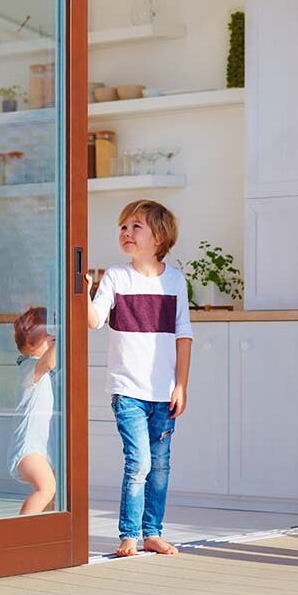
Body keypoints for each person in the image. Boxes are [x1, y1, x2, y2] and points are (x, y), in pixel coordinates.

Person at [85, 199, 193, 557]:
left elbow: (183, 335)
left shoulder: (175, 281)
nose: (126, 233)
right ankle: (128, 534)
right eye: (123, 227)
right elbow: (94, 319)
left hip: (163, 392)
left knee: (160, 465)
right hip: (127, 389)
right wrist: (83, 290)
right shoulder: (116, 277)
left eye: (136, 227)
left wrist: (181, 384)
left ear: (159, 237)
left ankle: (152, 532)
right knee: (140, 462)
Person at [9, 306, 57, 515]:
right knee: (46, 488)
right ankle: (22, 535)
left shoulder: (44, 370)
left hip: (42, 448)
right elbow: (50, 362)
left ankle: (45, 536)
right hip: (28, 449)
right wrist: (65, 334)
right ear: (30, 342)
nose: (53, 337)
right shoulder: (28, 366)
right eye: (49, 336)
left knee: (52, 497)